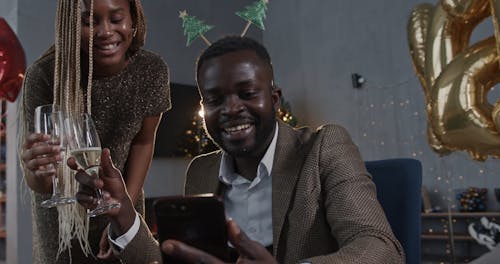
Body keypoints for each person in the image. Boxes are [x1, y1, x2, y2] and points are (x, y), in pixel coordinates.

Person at [75, 36, 404, 263]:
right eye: (216, 100)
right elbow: (173, 257)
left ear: (273, 100)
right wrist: (122, 213)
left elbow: (379, 247)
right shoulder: (201, 171)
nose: (231, 109)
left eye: (247, 93)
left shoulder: (324, 148)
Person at [19, 0, 170, 263]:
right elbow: (43, 183)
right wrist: (35, 171)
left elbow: (143, 143)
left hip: (123, 204)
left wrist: (123, 212)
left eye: (116, 19)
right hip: (64, 226)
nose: (105, 31)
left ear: (133, 22)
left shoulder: (151, 71)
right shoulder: (44, 76)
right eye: (89, 21)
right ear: (70, 25)